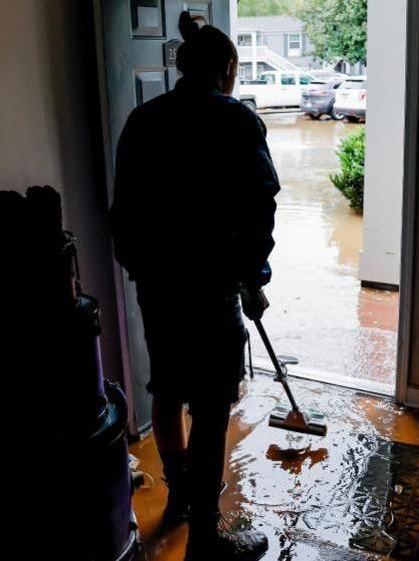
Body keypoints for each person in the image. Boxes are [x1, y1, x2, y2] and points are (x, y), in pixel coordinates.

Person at [109, 11, 280, 561]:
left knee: (165, 388)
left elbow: (123, 216)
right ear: (228, 68)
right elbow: (260, 209)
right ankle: (205, 537)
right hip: (211, 291)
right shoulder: (237, 121)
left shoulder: (143, 120)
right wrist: (253, 277)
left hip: (158, 288)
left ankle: (181, 498)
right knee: (210, 409)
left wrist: (143, 271)